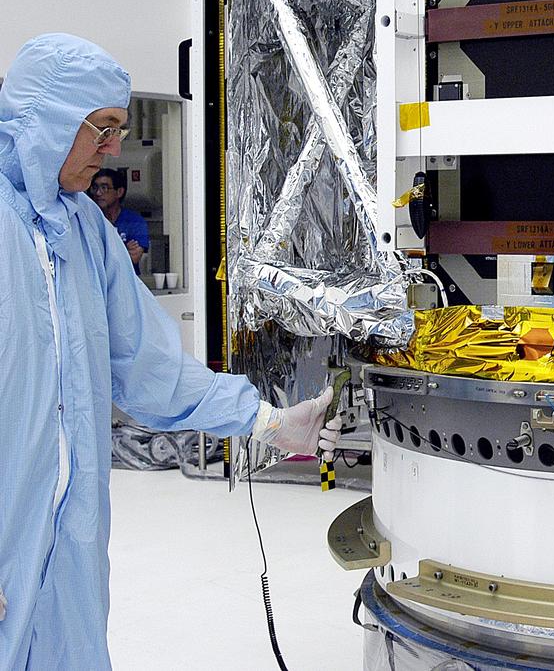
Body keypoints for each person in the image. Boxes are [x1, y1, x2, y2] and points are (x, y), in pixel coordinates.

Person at [0, 34, 342, 669]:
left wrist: (265, 422)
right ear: (46, 118)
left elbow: (145, 365)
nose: (114, 149)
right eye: (101, 128)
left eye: (120, 130)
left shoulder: (83, 230)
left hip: (70, 534)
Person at [89, 168, 148, 271]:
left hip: (127, 282)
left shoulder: (135, 221)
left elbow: (134, 257)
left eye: (104, 187)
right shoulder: (87, 220)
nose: (98, 193)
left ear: (119, 192)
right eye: (95, 187)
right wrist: (123, 251)